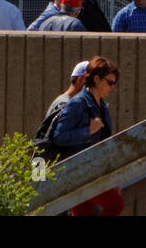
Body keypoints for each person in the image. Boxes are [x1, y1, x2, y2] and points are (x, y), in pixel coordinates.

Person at [49, 57, 125, 216]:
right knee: (116, 204)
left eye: (114, 83)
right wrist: (87, 130)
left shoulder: (102, 106)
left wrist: (112, 176)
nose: (112, 87)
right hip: (77, 172)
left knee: (85, 213)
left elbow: (105, 143)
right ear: (97, 79)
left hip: (90, 171)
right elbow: (59, 136)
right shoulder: (78, 103)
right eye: (110, 82)